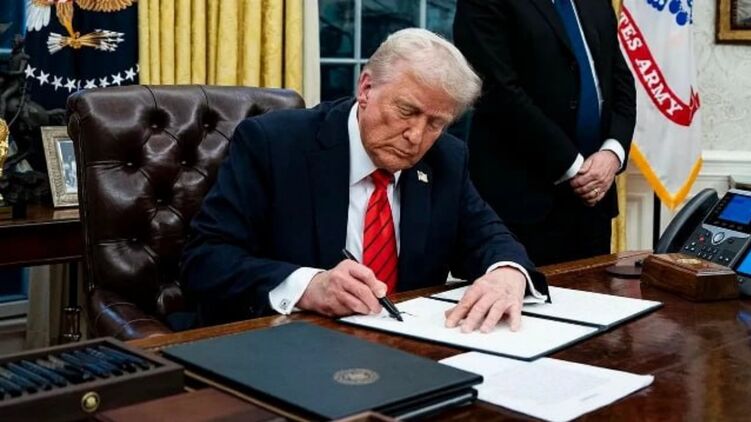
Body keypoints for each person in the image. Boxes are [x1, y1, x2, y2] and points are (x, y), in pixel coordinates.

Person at [182, 28, 548, 332]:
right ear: (366, 89)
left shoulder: (446, 158)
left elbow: (490, 237)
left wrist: (506, 273)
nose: (416, 136)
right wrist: (308, 286)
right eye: (407, 111)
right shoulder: (274, 144)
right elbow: (206, 259)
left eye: (436, 123)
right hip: (285, 343)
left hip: (406, 348)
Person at [453, 0, 636, 265]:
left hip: (594, 200)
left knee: (594, 291)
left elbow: (620, 80)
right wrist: (574, 166)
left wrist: (612, 152)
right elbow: (498, 91)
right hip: (520, 204)